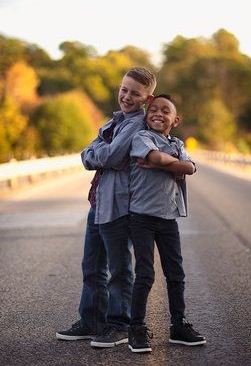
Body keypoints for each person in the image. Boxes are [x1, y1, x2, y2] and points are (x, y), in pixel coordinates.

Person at [56, 67, 156, 348]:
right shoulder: (115, 121)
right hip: (99, 202)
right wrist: (100, 155)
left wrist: (100, 154)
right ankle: (91, 322)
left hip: (119, 206)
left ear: (146, 98)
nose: (126, 96)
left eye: (135, 93)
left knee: (119, 270)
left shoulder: (136, 125)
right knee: (92, 267)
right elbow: (87, 154)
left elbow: (109, 155)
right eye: (124, 89)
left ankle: (119, 324)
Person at [128, 94, 206, 353]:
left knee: (176, 274)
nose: (158, 113)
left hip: (168, 218)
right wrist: (173, 165)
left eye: (165, 111)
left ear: (175, 120)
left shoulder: (177, 142)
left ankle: (179, 326)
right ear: (146, 114)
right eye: (153, 109)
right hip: (141, 217)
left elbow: (192, 168)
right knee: (146, 274)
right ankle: (136, 328)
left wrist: (171, 164)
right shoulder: (142, 138)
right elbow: (158, 159)